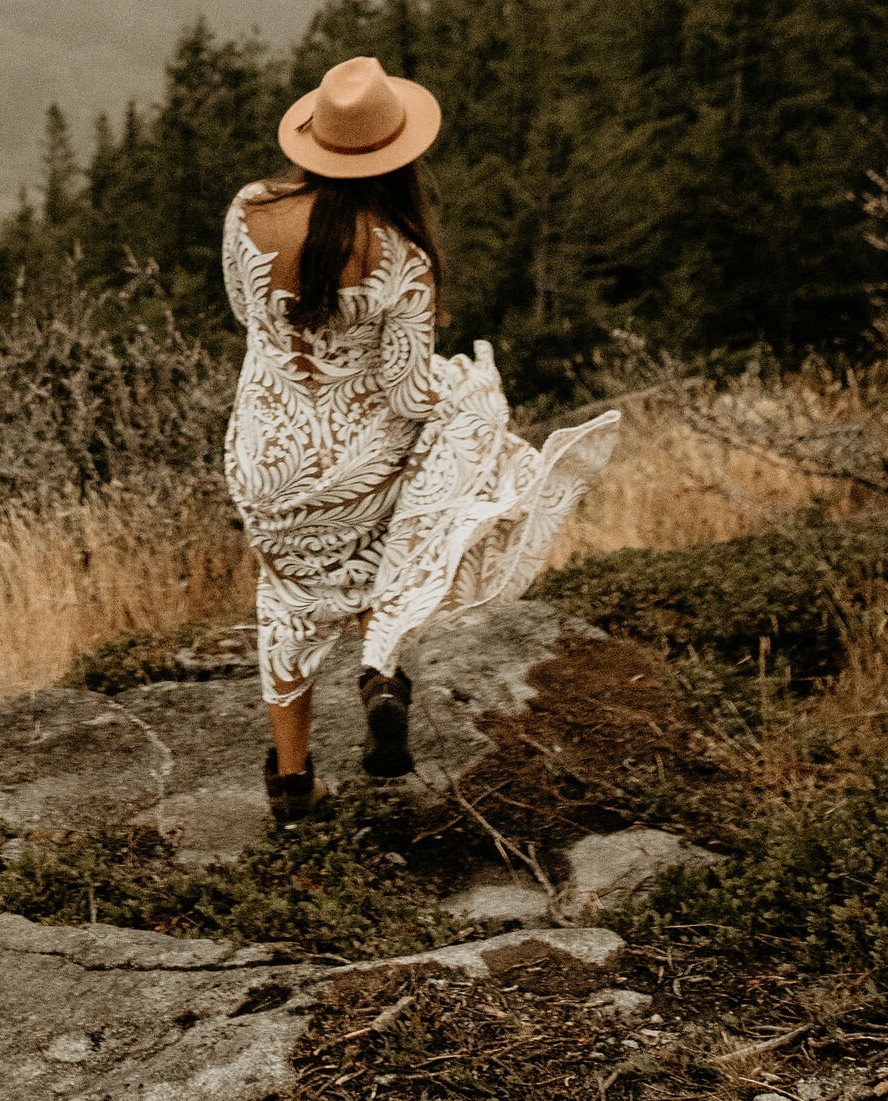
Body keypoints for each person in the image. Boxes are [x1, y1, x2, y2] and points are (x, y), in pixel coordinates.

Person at [226, 54, 619, 827]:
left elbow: (249, 314)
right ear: (397, 157)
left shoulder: (248, 209)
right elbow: (409, 395)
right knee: (418, 510)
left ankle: (294, 787)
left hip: (265, 461)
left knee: (289, 602)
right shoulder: (400, 255)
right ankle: (381, 670)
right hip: (360, 470)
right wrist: (466, 391)